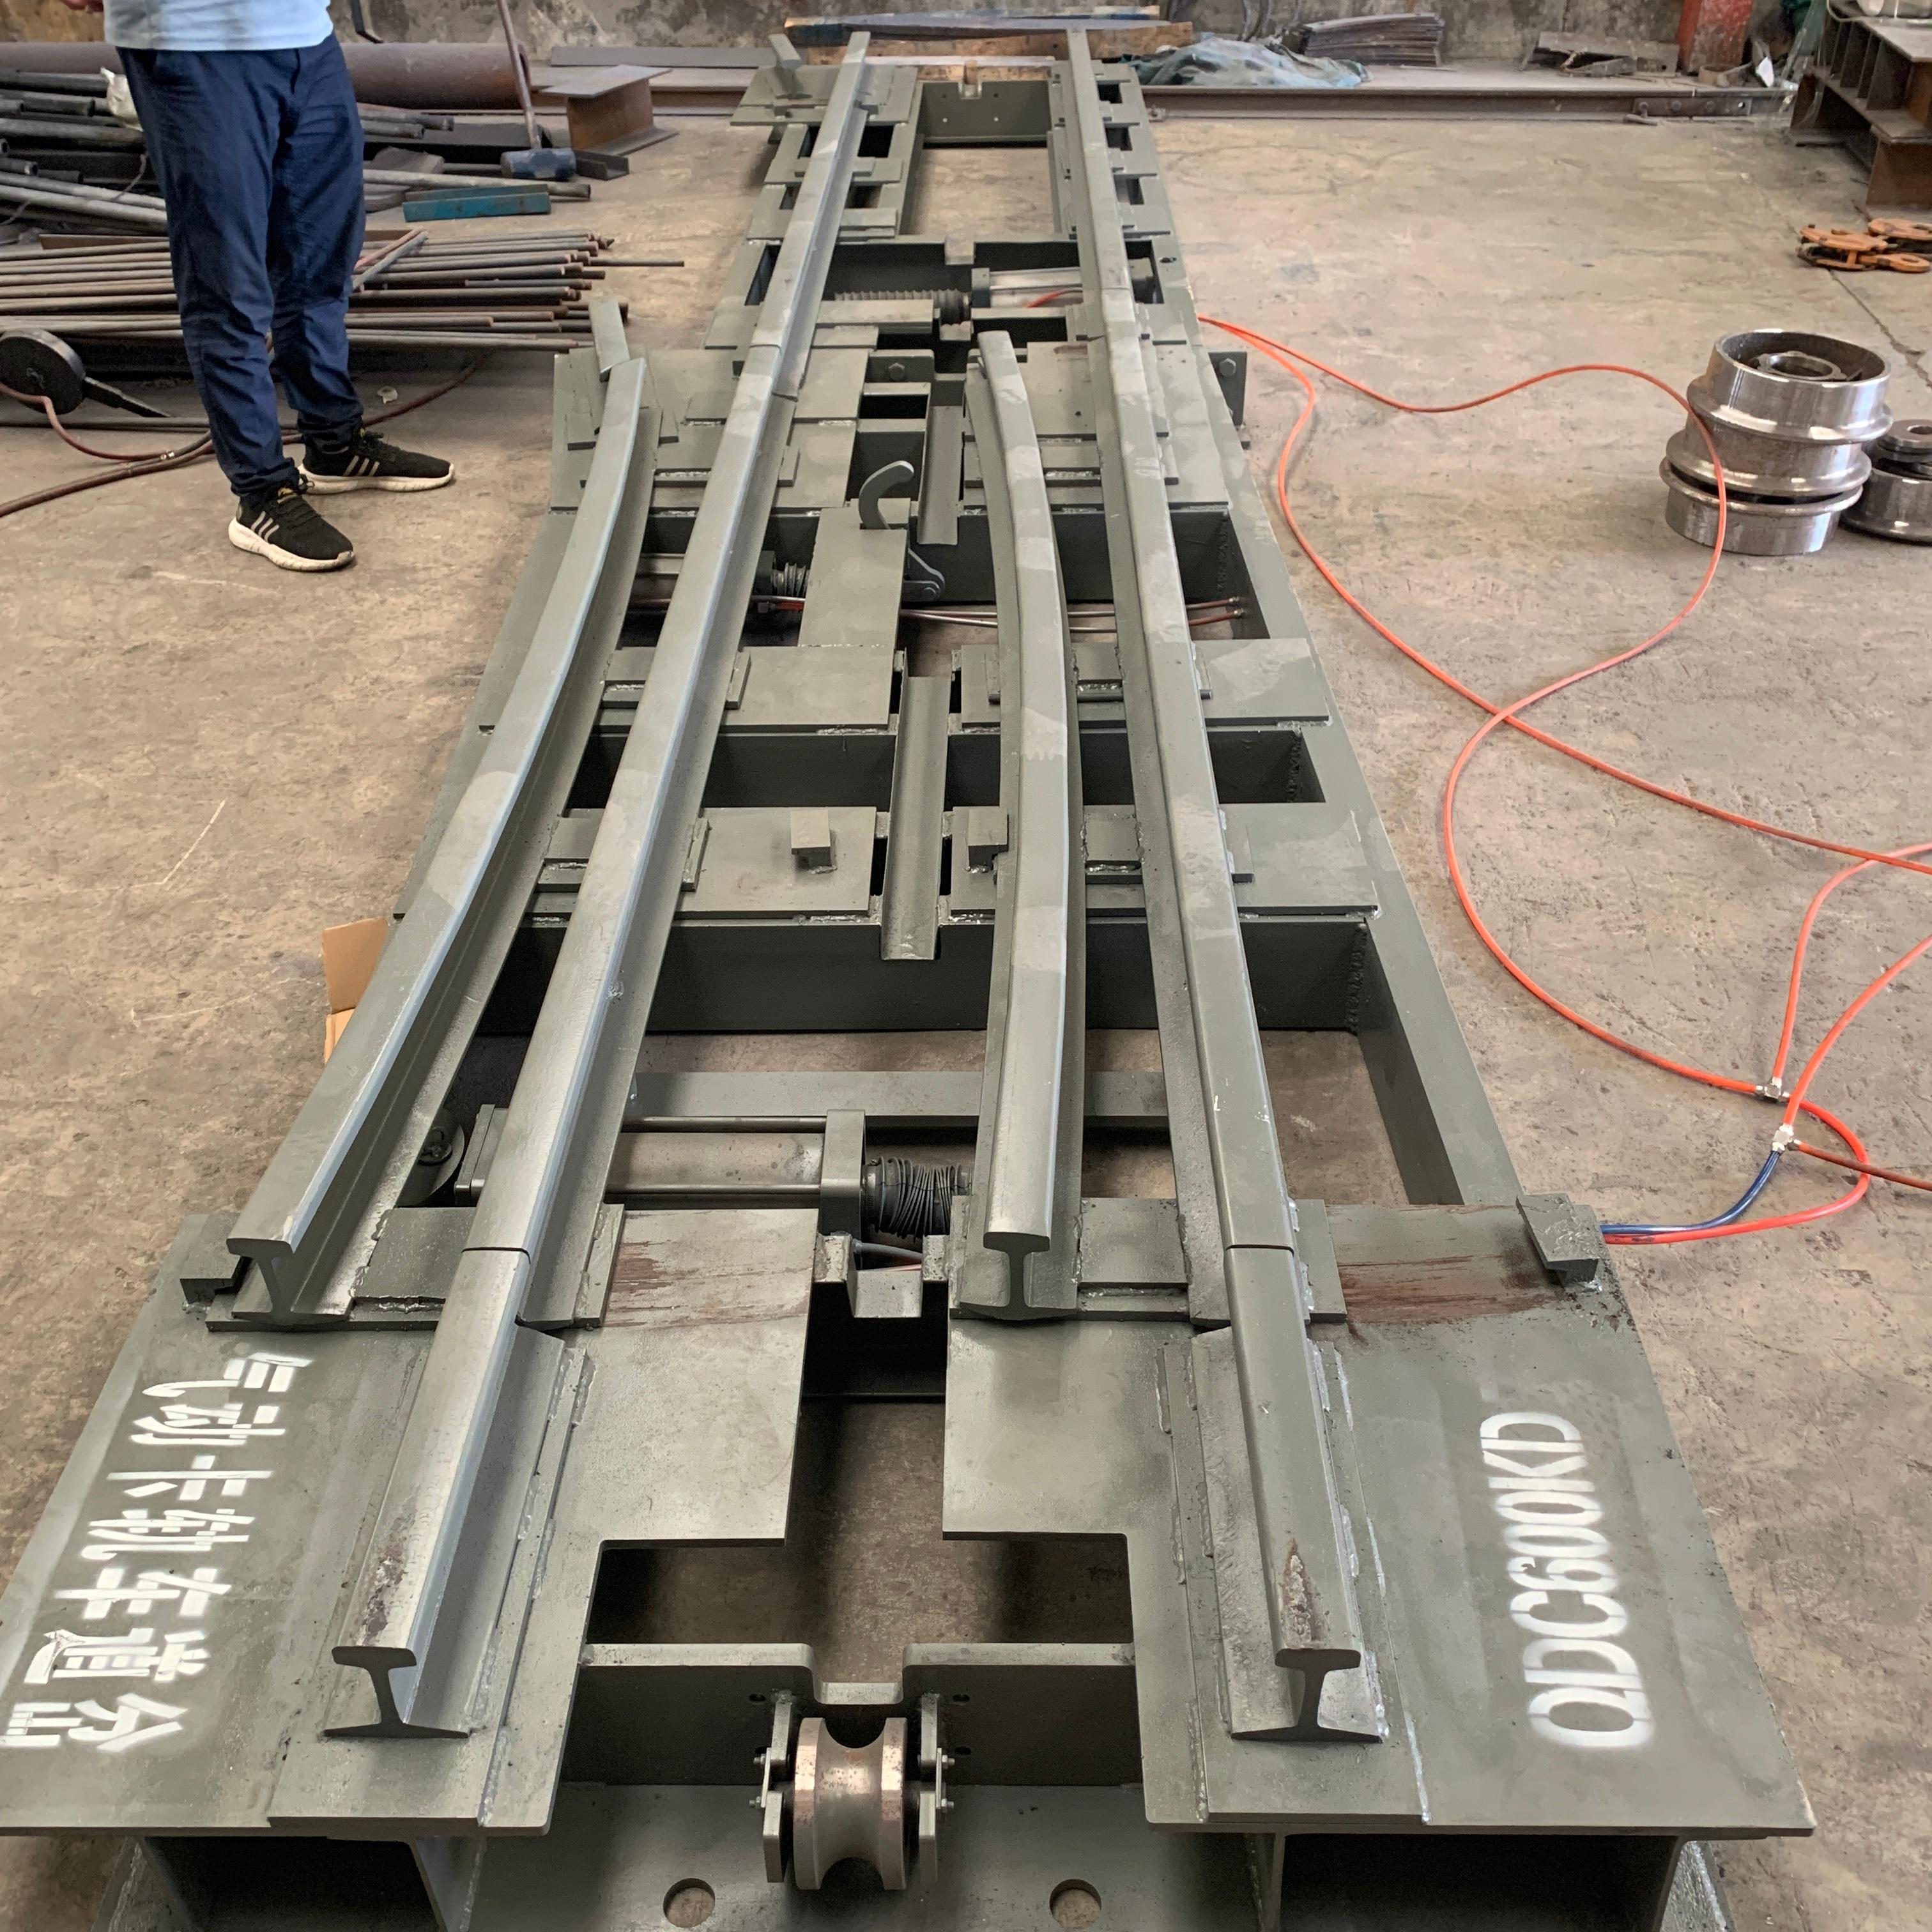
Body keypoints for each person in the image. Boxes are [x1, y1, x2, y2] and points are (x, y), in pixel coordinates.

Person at [58, 0, 453, 571]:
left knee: (320, 258)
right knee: (227, 281)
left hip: (305, 37)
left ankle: (335, 443)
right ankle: (263, 492)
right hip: (193, 44)